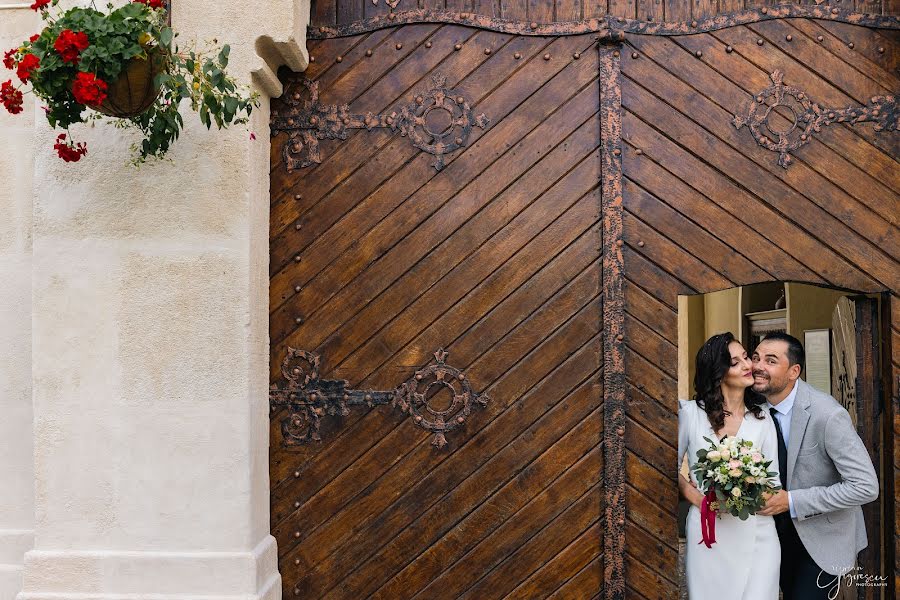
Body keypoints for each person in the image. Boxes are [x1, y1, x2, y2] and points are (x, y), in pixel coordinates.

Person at [753, 332, 878, 600]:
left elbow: (866, 487)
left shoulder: (827, 415)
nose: (758, 366)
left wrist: (792, 501)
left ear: (793, 371)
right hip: (770, 537)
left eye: (770, 360)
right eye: (756, 357)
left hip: (821, 541)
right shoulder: (753, 409)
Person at [678, 332, 781, 600]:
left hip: (758, 533)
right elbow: (669, 470)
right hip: (709, 532)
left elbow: (774, 481)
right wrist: (702, 502)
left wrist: (748, 494)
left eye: (746, 357)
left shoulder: (763, 419)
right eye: (736, 362)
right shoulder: (691, 414)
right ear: (719, 372)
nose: (749, 366)